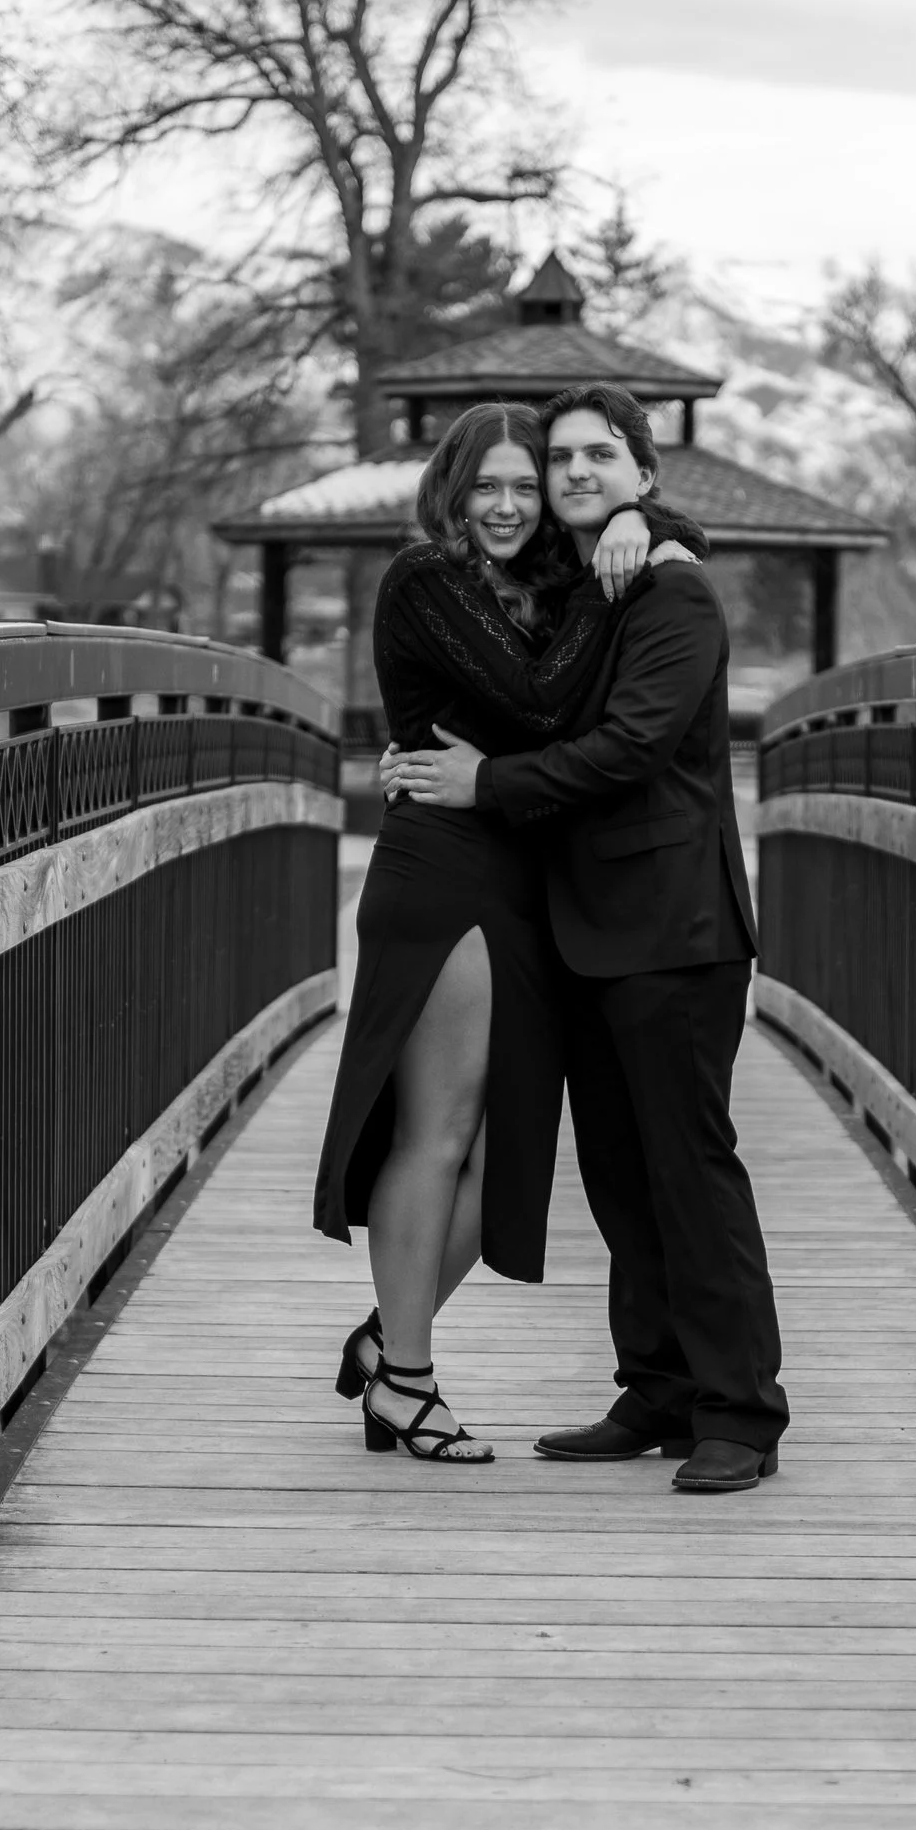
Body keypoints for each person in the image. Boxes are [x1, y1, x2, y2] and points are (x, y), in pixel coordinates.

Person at [384, 384, 788, 1496]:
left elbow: (627, 747)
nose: (567, 475)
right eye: (555, 459)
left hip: (669, 926)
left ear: (641, 473)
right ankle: (656, 1387)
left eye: (595, 458)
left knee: (689, 1171)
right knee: (619, 1175)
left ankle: (740, 1412)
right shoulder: (582, 581)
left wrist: (482, 783)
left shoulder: (671, 592)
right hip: (582, 930)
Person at [312, 400, 704, 1466]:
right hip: (446, 875)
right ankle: (407, 1378)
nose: (505, 504)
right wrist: (636, 533)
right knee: (438, 1136)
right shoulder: (426, 581)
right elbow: (540, 702)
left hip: (521, 882)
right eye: (485, 483)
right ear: (450, 486)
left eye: (525, 487)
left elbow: (655, 594)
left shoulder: (553, 585)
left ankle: (389, 1338)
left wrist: (648, 525)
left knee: (506, 1160)